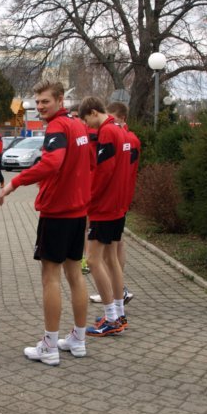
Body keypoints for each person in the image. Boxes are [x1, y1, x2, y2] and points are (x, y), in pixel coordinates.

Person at [0, 79, 92, 366]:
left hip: (58, 213)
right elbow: (88, 164)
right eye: (37, 102)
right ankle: (78, 339)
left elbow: (52, 163)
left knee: (50, 277)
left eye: (45, 102)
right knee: (75, 274)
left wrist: (15, 182)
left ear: (60, 100)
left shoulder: (58, 127)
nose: (40, 107)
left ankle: (49, 346)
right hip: (77, 212)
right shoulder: (78, 126)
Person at [78, 97, 129, 337]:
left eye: (86, 120)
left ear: (92, 112)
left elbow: (104, 170)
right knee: (111, 259)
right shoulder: (119, 130)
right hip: (116, 205)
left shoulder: (107, 132)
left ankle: (111, 318)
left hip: (104, 207)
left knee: (93, 260)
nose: (87, 125)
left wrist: (89, 199)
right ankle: (119, 313)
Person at [88, 101, 142, 317]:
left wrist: (91, 199)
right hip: (117, 201)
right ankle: (117, 307)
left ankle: (113, 309)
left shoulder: (119, 135)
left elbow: (111, 171)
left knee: (103, 255)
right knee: (112, 252)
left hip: (111, 203)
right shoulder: (125, 136)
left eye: (112, 117)